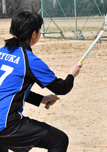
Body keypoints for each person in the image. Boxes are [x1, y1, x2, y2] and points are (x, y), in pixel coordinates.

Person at [0, 11, 83, 152]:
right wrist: (71, 75)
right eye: (39, 30)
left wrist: (41, 99)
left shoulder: (2, 51)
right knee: (59, 140)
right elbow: (62, 88)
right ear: (33, 34)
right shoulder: (30, 60)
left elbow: (10, 89)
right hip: (6, 125)